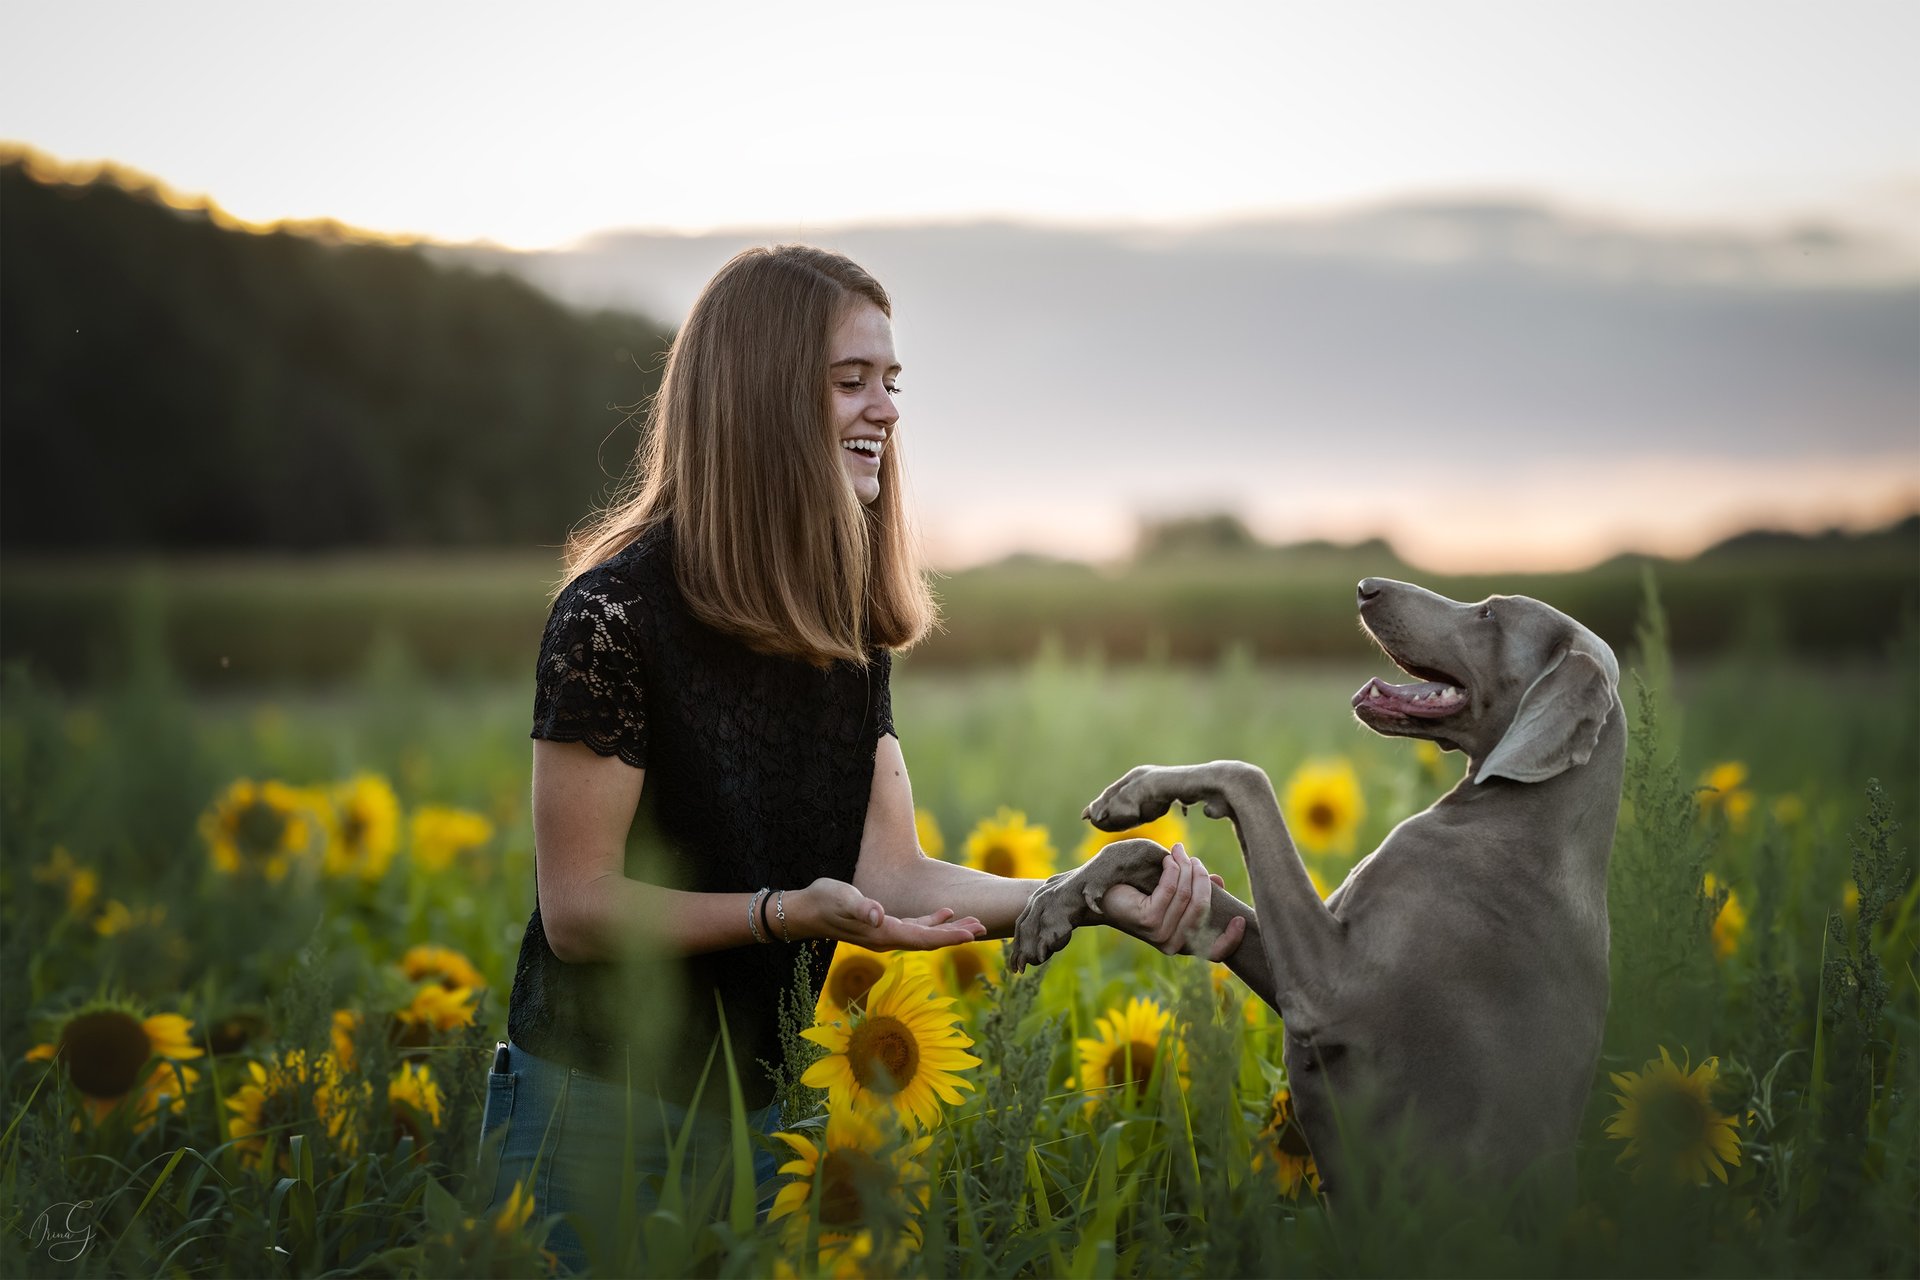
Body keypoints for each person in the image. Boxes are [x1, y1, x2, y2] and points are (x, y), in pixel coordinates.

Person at [475, 244, 1241, 1274]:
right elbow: (578, 911)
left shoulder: (841, 631)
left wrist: (1087, 891)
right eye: (851, 381)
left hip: (767, 1112)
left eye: (891, 382)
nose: (884, 408)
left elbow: (893, 872)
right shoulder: (613, 616)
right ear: (758, 399)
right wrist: (779, 911)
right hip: (598, 1113)